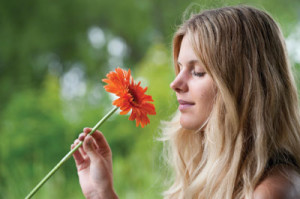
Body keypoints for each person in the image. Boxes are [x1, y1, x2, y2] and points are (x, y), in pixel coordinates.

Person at [72, 5, 300, 199]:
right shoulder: (219, 177)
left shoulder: (271, 191)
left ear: (244, 86)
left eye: (198, 72)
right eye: (180, 68)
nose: (176, 83)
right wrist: (102, 193)